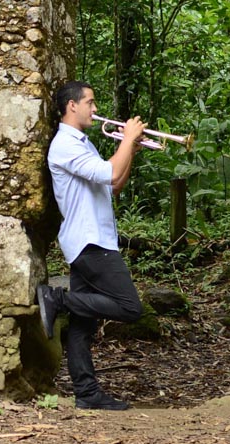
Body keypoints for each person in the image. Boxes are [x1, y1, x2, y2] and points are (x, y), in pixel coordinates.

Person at [37, 80, 147, 411]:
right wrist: (126, 139)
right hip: (90, 242)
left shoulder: (83, 144)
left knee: (83, 326)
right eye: (90, 102)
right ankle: (58, 298)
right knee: (130, 307)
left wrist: (131, 151)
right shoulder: (65, 145)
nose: (95, 109)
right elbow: (109, 173)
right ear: (72, 106)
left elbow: (113, 185)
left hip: (93, 238)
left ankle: (86, 393)